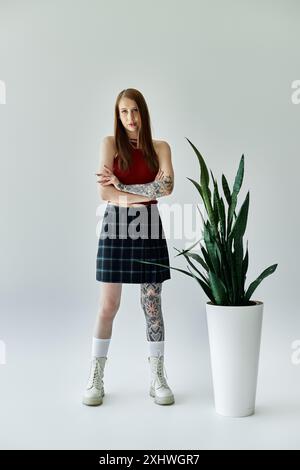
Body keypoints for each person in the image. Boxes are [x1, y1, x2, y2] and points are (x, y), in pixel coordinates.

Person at [82, 88, 175, 406]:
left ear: (143, 113)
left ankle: (157, 378)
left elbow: (167, 186)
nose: (130, 118)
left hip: (148, 227)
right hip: (115, 227)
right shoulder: (109, 145)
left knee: (152, 305)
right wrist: (141, 193)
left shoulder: (160, 147)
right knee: (108, 305)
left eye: (135, 111)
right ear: (117, 115)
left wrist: (123, 187)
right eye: (124, 112)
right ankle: (96, 377)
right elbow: (105, 196)